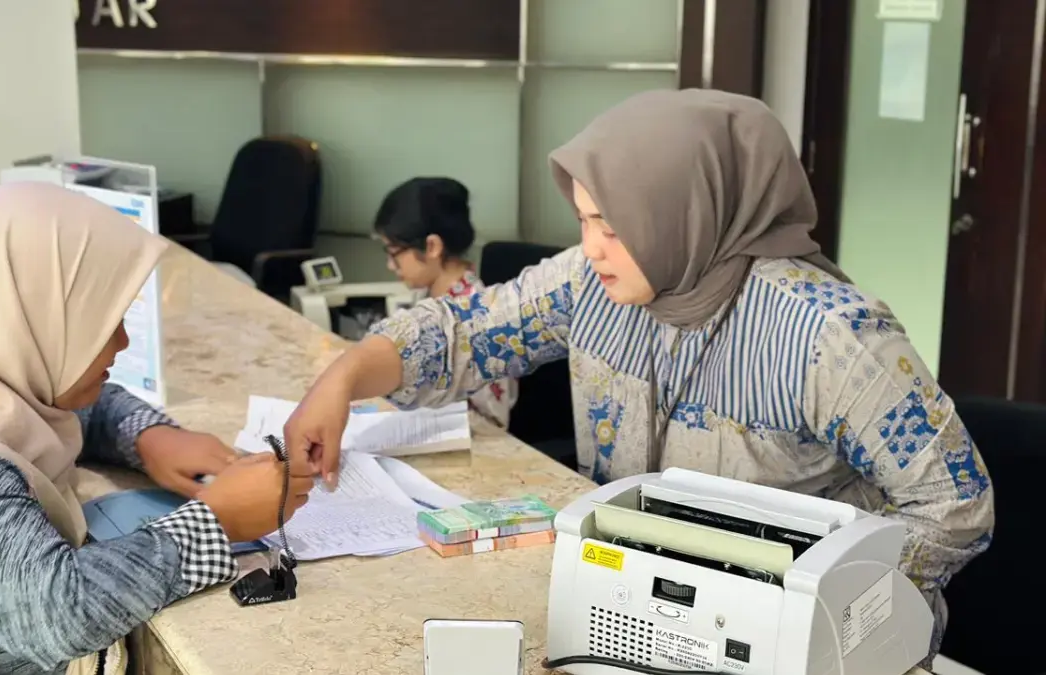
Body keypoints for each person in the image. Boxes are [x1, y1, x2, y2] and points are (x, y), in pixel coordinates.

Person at [286, 89, 994, 666]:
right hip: (639, 620)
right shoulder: (588, 286)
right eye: (587, 219)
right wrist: (343, 378)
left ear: (688, 215)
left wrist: (823, 603)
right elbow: (462, 331)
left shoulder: (830, 336)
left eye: (616, 226)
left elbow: (955, 506)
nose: (592, 247)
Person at [0, 182, 314, 674]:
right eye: (101, 322)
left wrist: (148, 436)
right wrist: (217, 522)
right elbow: (54, 611)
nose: (122, 342)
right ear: (28, 319)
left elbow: (77, 404)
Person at [373, 177, 518, 428]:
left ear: (432, 246)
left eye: (394, 252)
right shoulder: (431, 295)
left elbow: (493, 422)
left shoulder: (481, 319)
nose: (390, 265)